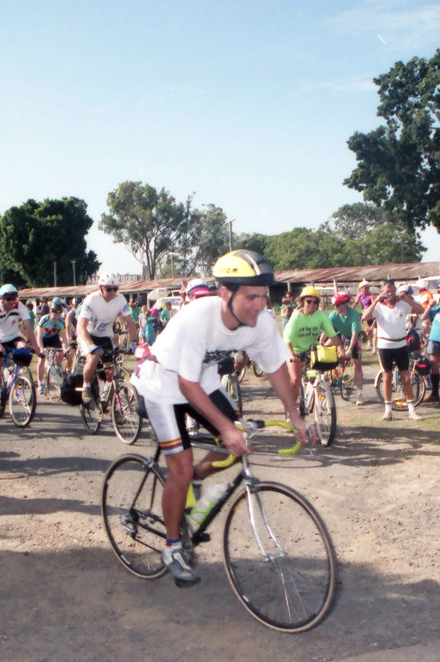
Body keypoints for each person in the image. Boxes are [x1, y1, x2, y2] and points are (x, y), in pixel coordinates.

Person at [130, 249, 314, 587]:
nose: (261, 304)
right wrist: (226, 427)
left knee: (234, 446)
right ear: (225, 294)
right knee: (180, 467)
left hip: (204, 382)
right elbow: (185, 383)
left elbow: (275, 368)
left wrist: (295, 415)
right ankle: (171, 548)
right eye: (251, 296)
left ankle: (196, 480)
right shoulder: (198, 317)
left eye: (265, 295)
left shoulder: (259, 322)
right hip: (163, 384)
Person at [362, 280, 425, 421]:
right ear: (383, 292)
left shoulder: (402, 304)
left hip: (401, 344)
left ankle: (411, 409)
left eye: (392, 291)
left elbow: (421, 310)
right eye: (387, 291)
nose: (390, 294)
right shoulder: (378, 307)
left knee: (406, 377)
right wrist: (377, 300)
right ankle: (388, 409)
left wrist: (407, 299)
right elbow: (365, 317)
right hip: (385, 346)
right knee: (387, 376)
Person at [76, 273, 138, 404]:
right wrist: (91, 345)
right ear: (101, 288)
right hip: (88, 333)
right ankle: (86, 385)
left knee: (110, 370)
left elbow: (130, 322)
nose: (112, 292)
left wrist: (134, 342)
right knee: (93, 358)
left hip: (105, 335)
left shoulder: (121, 299)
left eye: (115, 289)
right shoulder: (91, 300)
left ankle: (105, 396)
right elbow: (81, 326)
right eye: (108, 289)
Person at [0, 284, 41, 413]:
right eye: (8, 298)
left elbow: (28, 327)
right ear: (1, 298)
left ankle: (18, 375)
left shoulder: (19, 306)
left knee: (24, 349)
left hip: (13, 337)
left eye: (13, 298)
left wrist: (35, 346)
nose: (11, 301)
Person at [282, 286, 339, 395]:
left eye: (315, 302)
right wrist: (292, 355)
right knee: (295, 380)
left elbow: (333, 336)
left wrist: (342, 352)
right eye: (309, 301)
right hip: (294, 350)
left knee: (317, 376)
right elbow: (287, 339)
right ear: (302, 302)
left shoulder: (321, 316)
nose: (312, 305)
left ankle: (319, 397)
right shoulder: (296, 317)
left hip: (311, 350)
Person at [328, 292, 366, 405]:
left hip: (354, 337)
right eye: (335, 305)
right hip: (342, 335)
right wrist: (321, 343)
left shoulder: (354, 315)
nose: (335, 308)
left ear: (345, 305)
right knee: (324, 347)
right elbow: (327, 330)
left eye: (338, 305)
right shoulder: (334, 315)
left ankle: (360, 394)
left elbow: (355, 334)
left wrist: (349, 349)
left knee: (357, 365)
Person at [36, 299, 68, 395]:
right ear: (50, 312)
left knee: (60, 354)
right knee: (41, 360)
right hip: (43, 338)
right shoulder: (44, 320)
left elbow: (63, 338)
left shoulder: (61, 322)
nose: (56, 316)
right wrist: (41, 349)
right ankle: (40, 383)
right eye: (54, 314)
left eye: (58, 314)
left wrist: (66, 349)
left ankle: (57, 368)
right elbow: (39, 337)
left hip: (53, 337)